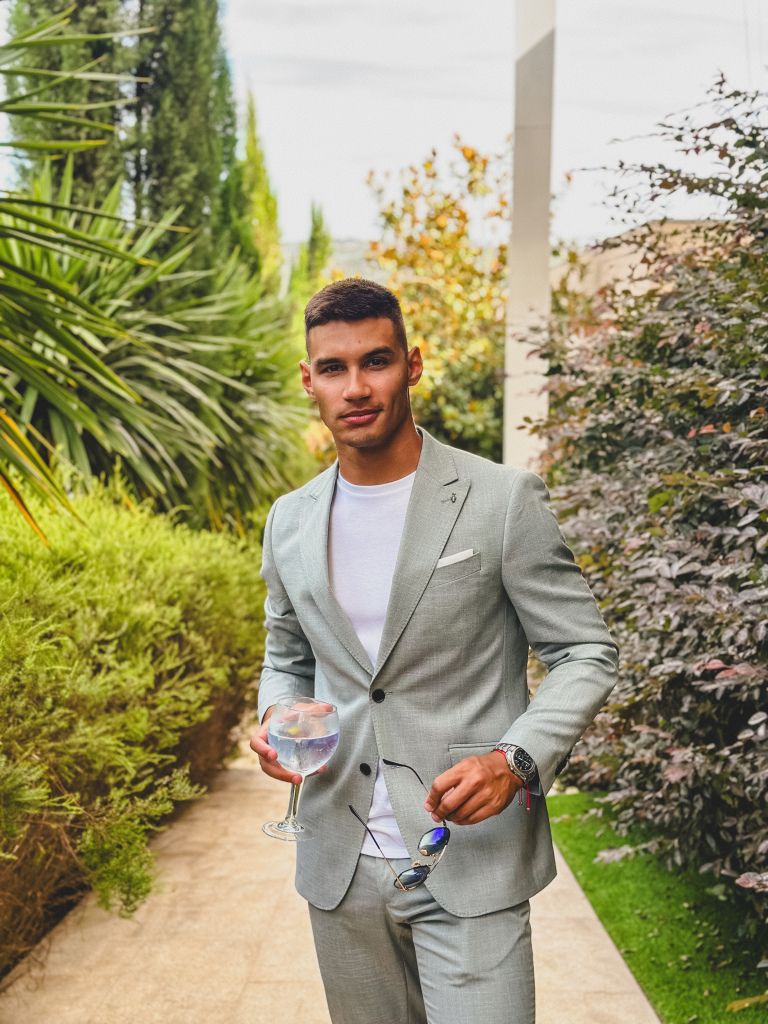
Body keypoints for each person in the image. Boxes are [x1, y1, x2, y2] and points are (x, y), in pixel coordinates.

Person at [250, 278, 618, 1024]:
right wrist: (275, 718)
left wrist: (514, 761)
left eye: (376, 361)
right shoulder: (289, 520)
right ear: (309, 381)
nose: (356, 388)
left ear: (412, 365)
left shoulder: (502, 499)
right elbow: (286, 655)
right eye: (334, 368)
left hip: (471, 859)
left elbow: (585, 651)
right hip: (339, 863)